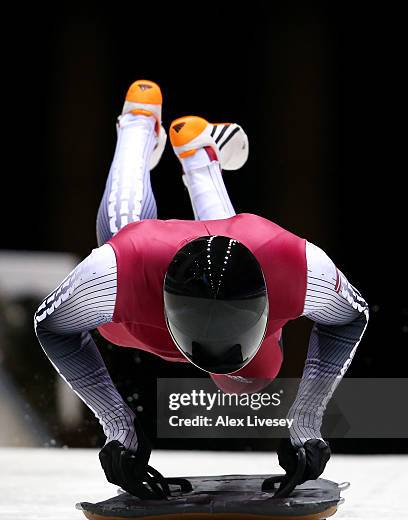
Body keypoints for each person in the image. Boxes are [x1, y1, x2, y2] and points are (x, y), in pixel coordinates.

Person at [34, 80, 369, 498]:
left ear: (266, 301)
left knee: (253, 376)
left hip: (209, 295)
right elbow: (52, 324)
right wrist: (116, 423)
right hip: (142, 300)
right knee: (119, 236)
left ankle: (197, 154)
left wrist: (307, 418)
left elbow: (352, 317)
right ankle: (142, 124)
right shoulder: (123, 265)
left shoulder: (294, 265)